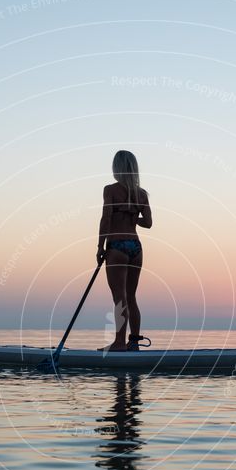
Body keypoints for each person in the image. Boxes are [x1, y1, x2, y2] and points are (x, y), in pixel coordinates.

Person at [97, 150, 152, 351]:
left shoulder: (110, 190)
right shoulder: (142, 194)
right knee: (131, 297)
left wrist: (99, 247)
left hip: (117, 246)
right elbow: (148, 223)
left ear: (116, 168)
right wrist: (131, 217)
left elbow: (106, 219)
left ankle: (119, 342)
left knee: (119, 298)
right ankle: (134, 343)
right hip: (136, 248)